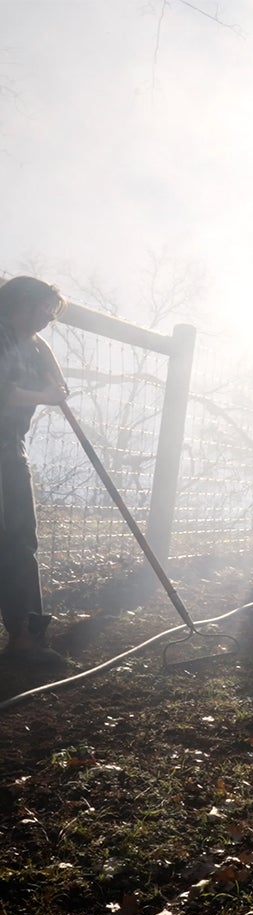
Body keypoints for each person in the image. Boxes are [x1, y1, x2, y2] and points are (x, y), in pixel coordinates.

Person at [0, 276, 69, 667]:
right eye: (43, 307)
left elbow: (58, 386)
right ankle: (25, 636)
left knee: (20, 541)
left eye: (51, 311)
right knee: (15, 543)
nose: (47, 317)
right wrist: (44, 396)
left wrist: (52, 382)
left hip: (11, 448)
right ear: (20, 302)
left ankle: (26, 635)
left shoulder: (34, 345)